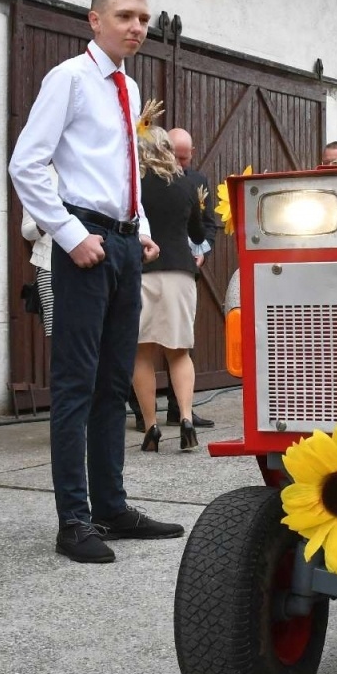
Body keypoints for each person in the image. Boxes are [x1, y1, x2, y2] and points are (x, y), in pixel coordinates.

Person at [9, 0, 185, 565]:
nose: (137, 27)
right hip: (83, 242)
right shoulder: (70, 80)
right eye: (125, 17)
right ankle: (74, 520)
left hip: (125, 245)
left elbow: (122, 169)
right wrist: (70, 234)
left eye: (143, 18)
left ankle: (111, 505)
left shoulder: (129, 90)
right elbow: (26, 164)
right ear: (95, 20)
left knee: (115, 382)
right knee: (76, 386)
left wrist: (144, 231)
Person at [132, 126, 208, 453]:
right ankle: (187, 418)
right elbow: (197, 230)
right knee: (179, 352)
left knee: (142, 352)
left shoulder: (133, 186)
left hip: (142, 272)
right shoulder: (188, 185)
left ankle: (151, 426)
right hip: (179, 271)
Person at [160, 127, 218, 429]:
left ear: (192, 153)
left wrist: (202, 251)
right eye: (175, 157)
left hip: (186, 266)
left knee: (180, 342)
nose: (181, 164)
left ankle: (178, 408)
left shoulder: (198, 182)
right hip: (153, 266)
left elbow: (208, 226)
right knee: (144, 343)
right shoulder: (148, 181)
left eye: (185, 157)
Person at [20, 203, 55, 338]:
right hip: (48, 265)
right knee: (56, 331)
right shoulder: (42, 184)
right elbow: (27, 231)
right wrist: (47, 223)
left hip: (87, 264)